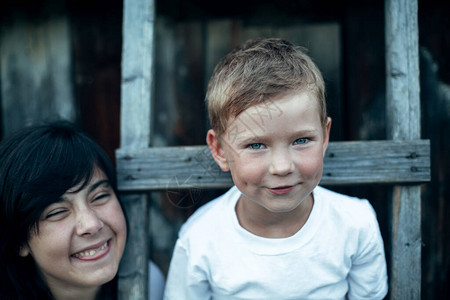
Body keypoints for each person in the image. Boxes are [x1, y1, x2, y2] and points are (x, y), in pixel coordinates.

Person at [164, 38, 388, 299]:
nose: (282, 167)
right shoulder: (200, 240)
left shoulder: (355, 225)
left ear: (325, 137)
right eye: (256, 145)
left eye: (301, 140)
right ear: (220, 150)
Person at [0, 121, 165, 300]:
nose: (91, 224)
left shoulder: (148, 285)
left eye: (99, 196)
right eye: (57, 212)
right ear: (19, 241)